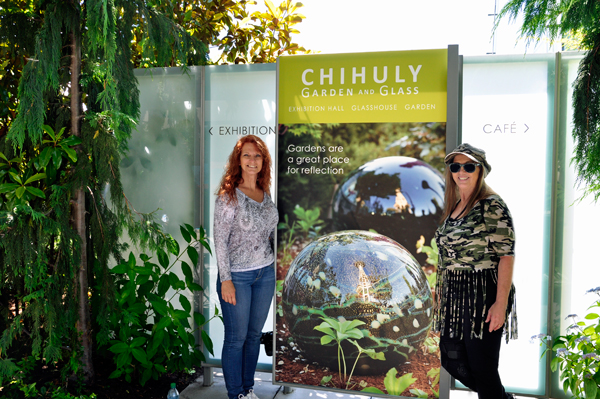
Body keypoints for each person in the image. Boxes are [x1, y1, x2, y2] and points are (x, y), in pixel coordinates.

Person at [433, 143, 517, 399]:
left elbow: (506, 256)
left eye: (469, 166)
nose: (461, 171)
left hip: (483, 293)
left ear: (481, 171)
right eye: (455, 166)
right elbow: (447, 255)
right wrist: (441, 292)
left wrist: (500, 304)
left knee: (483, 367)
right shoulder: (456, 205)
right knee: (451, 356)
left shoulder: (492, 205)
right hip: (456, 295)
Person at [214, 135, 278, 399]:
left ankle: (247, 390)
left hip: (266, 274)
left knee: (253, 337)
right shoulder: (228, 197)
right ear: (238, 161)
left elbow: (271, 234)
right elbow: (219, 240)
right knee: (235, 339)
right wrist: (225, 279)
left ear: (264, 161)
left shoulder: (266, 193)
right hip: (237, 278)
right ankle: (235, 394)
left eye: (257, 156)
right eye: (247, 155)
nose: (252, 160)